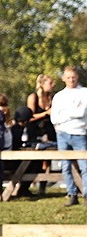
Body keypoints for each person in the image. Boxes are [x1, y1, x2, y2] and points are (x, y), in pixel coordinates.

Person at [50, 65, 87, 205]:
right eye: (68, 77)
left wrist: (65, 114)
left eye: (73, 77)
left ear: (77, 77)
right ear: (63, 78)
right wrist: (72, 112)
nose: (71, 80)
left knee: (84, 166)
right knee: (65, 166)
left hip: (80, 133)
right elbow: (54, 118)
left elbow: (82, 113)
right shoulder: (59, 96)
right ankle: (71, 194)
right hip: (62, 134)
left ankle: (86, 194)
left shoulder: (84, 93)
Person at [26, 74, 56, 145]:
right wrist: (46, 113)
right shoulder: (33, 97)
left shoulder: (53, 98)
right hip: (35, 132)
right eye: (50, 83)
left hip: (50, 132)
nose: (53, 85)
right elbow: (30, 117)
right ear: (42, 84)